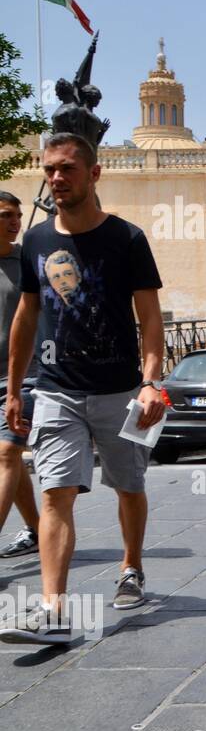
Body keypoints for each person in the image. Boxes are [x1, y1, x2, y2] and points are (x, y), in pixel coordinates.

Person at [0, 133, 166, 645]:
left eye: (67, 168)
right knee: (56, 493)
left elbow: (150, 318)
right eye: (49, 169)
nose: (56, 178)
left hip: (120, 392)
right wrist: (12, 389)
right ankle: (53, 607)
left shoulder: (127, 239)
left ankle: (132, 566)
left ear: (93, 174)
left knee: (129, 486)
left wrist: (151, 381)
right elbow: (27, 316)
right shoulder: (36, 241)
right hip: (55, 390)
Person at [0, 192, 40, 559]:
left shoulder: (27, 262)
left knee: (7, 453)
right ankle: (37, 530)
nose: (15, 222)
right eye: (6, 215)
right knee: (9, 462)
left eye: (17, 215)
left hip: (21, 377)